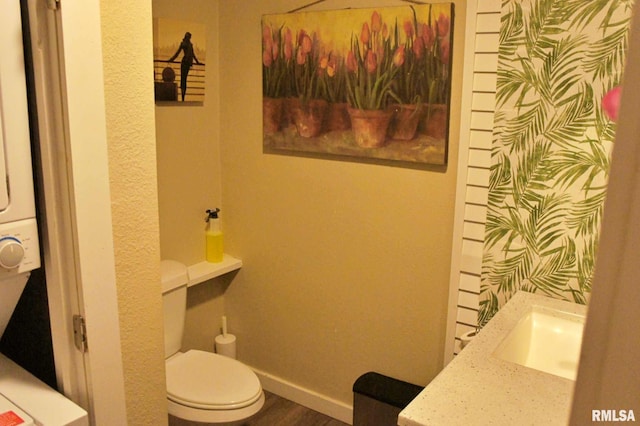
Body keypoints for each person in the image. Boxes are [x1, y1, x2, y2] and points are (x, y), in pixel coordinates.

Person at [169, 32, 201, 101]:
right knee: (183, 80)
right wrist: (171, 59)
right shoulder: (186, 44)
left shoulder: (187, 44)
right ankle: (183, 97)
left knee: (183, 79)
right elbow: (179, 53)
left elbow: (192, 54)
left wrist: (197, 62)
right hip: (185, 63)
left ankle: (183, 97)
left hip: (185, 63)